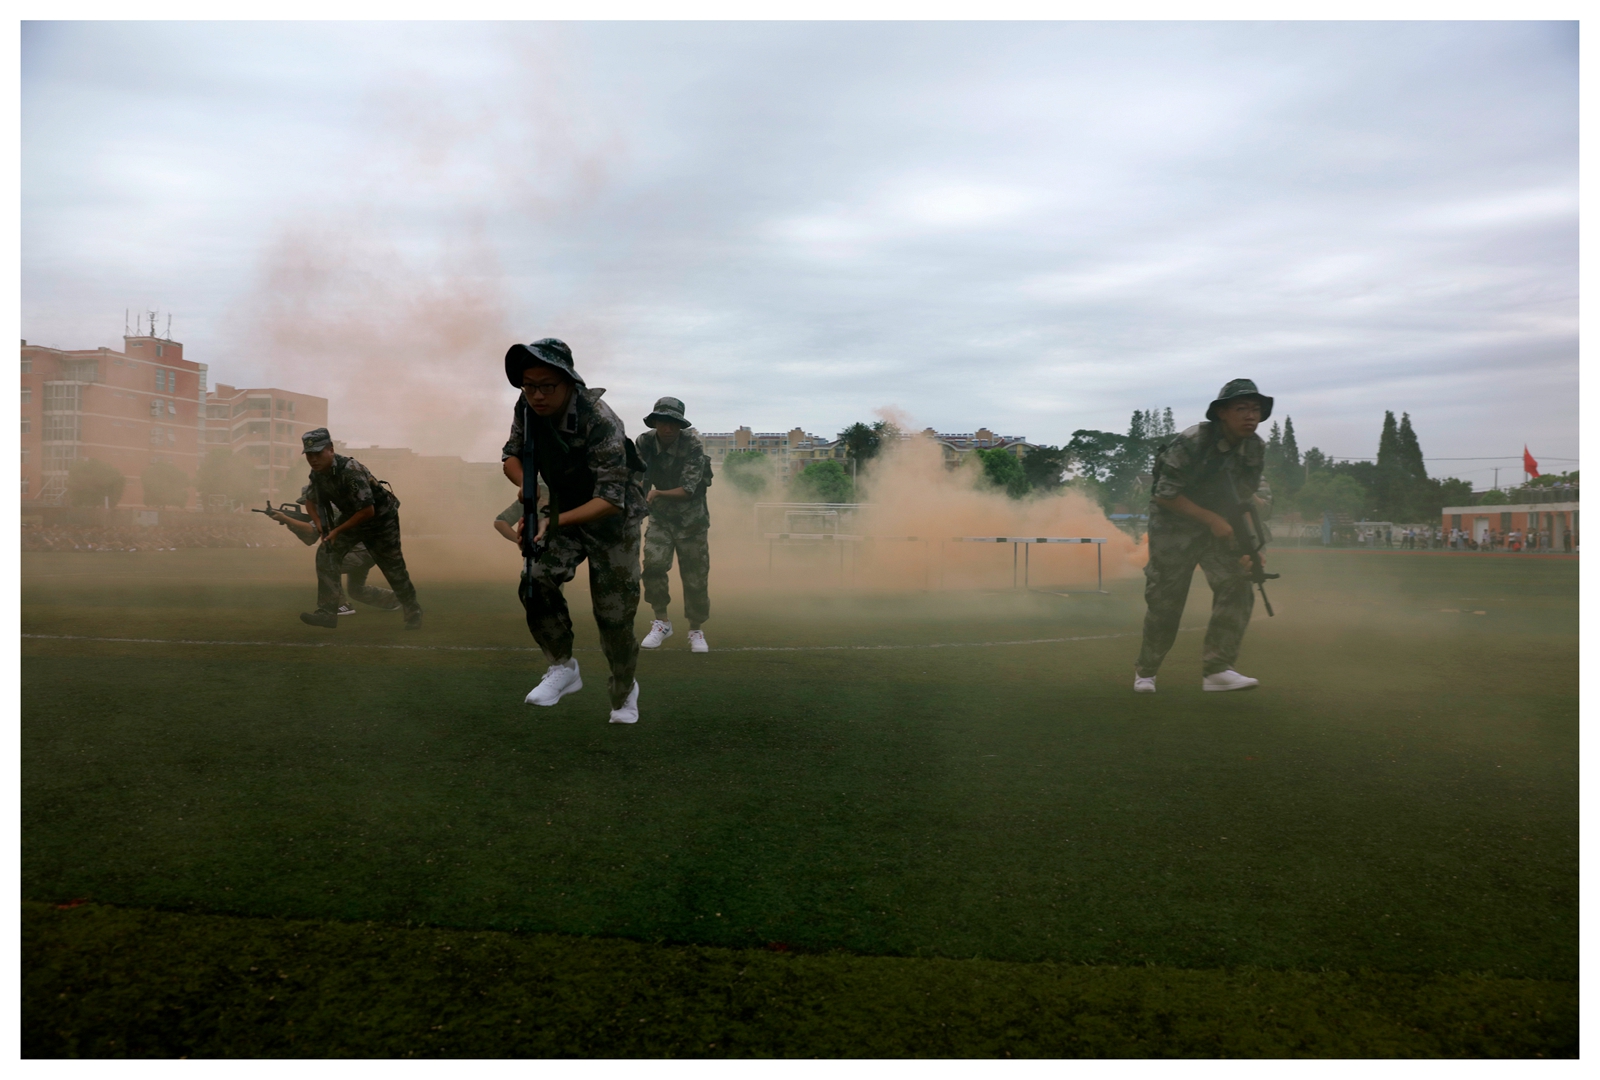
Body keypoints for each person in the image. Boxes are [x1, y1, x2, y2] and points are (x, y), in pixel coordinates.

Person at [502, 338, 648, 724]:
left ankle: (623, 692)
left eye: (546, 385)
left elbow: (611, 499)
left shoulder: (599, 419)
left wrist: (551, 521)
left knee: (614, 618)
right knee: (534, 578)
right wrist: (532, 492)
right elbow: (511, 456)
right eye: (528, 385)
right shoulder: (527, 407)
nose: (536, 395)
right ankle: (563, 667)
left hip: (612, 521)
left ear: (570, 382)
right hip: (561, 508)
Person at [1133, 378, 1272, 694]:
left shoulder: (1255, 448)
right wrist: (1210, 519)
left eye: (1256, 409)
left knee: (1239, 581)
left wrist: (1251, 545)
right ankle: (1146, 672)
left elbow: (1244, 500)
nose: (1251, 415)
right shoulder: (1192, 442)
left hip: (1220, 522)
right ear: (1222, 412)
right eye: (1242, 409)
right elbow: (1164, 495)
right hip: (1174, 522)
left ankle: (1217, 669)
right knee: (1166, 600)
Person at [297, 428, 423, 630]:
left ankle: (412, 609)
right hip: (353, 516)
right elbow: (310, 501)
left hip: (381, 520)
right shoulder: (318, 473)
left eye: (318, 453)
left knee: (393, 567)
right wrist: (321, 525)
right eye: (309, 455)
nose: (313, 459)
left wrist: (337, 531)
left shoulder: (351, 471)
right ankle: (328, 612)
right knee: (327, 553)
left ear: (330, 449)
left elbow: (367, 511)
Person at [635, 397, 713, 653]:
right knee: (654, 566)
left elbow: (689, 490)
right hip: (661, 518)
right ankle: (661, 622)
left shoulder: (692, 445)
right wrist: (638, 501)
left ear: (680, 425)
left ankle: (696, 630)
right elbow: (637, 478)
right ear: (655, 422)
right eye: (663, 421)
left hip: (692, 520)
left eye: (673, 423)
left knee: (695, 578)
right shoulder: (644, 442)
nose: (667, 428)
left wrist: (657, 494)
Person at [271, 486, 400, 616]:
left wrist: (286, 519)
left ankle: (341, 605)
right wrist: (291, 524)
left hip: (360, 552)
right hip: (362, 552)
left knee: (327, 565)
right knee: (356, 590)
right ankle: (396, 599)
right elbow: (309, 540)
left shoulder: (329, 508)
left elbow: (311, 530)